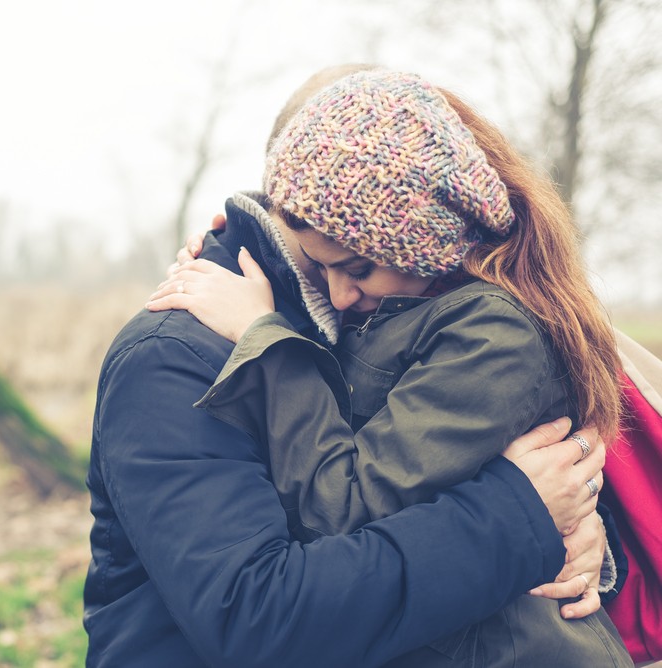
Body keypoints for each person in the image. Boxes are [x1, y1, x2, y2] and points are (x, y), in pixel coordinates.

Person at [84, 73, 610, 668]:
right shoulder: (174, 353)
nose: (339, 293)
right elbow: (260, 615)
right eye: (323, 255)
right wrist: (519, 522)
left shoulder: (421, 324)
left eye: (359, 263)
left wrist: (575, 529)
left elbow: (510, 461)